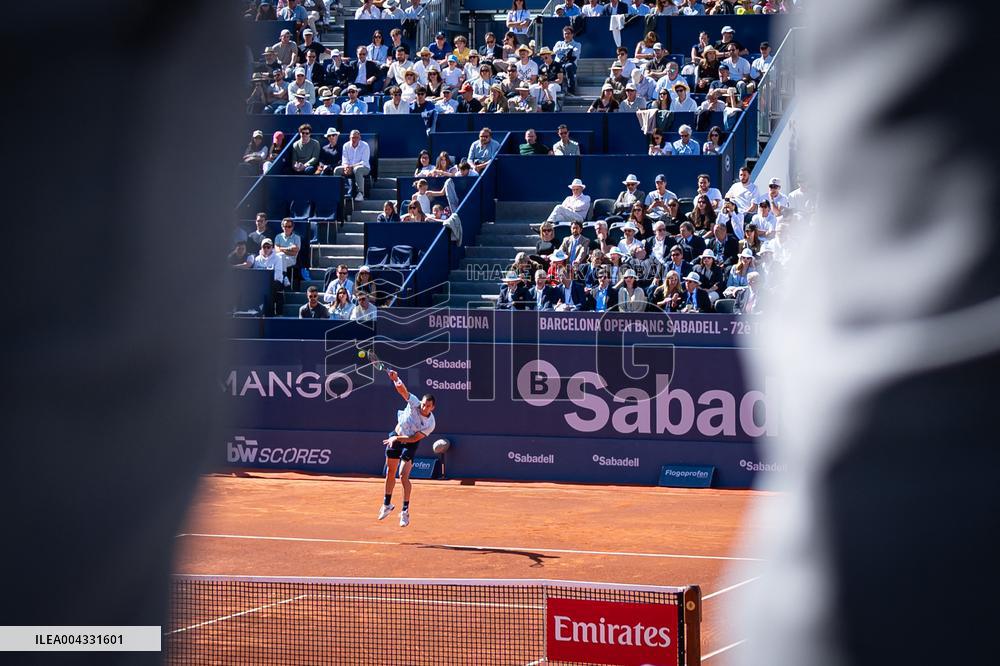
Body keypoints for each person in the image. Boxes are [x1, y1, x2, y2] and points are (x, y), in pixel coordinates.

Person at [377, 366, 436, 528]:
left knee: (403, 475)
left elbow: (414, 438)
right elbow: (403, 391)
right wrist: (396, 379)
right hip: (395, 436)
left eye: (428, 406)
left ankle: (404, 511)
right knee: (390, 471)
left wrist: (396, 438)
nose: (424, 408)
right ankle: (387, 504)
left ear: (433, 408)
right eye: (423, 404)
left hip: (409, 443)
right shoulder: (414, 403)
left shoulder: (430, 424)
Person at [335, 130, 371, 200]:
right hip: (349, 168)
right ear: (349, 137)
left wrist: (351, 167)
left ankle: (360, 193)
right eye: (353, 137)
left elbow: (364, 161)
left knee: (357, 169)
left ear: (360, 137)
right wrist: (346, 167)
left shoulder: (365, 145)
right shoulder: (346, 145)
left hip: (364, 168)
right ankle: (337, 192)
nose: (354, 139)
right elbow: (344, 159)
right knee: (337, 170)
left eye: (356, 137)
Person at [552, 26, 581, 95]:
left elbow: (575, 53)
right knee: (552, 67)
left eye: (568, 33)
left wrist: (561, 51)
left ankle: (571, 91)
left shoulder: (577, 44)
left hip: (570, 64)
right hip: (559, 64)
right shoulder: (559, 43)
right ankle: (557, 90)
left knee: (568, 66)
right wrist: (568, 49)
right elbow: (555, 51)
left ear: (572, 34)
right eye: (565, 34)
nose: (567, 35)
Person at [274, 218, 302, 289]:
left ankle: (283, 276)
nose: (287, 228)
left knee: (281, 255)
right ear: (282, 227)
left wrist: (282, 248)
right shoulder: (278, 236)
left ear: (292, 227)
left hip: (291, 260)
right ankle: (284, 276)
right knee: (281, 256)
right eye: (285, 226)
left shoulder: (297, 238)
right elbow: (277, 250)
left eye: (289, 226)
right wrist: (289, 248)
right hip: (279, 258)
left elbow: (295, 252)